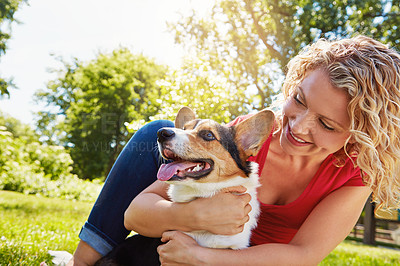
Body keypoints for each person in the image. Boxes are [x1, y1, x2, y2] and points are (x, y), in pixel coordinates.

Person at [67, 35, 400, 265]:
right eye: (298, 99)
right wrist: (195, 215)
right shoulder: (247, 139)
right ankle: (81, 262)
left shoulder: (354, 176)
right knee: (157, 132)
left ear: (358, 134)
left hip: (248, 260)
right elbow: (137, 214)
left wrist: (204, 259)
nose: (297, 127)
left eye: (327, 125)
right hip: (196, 236)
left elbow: (303, 256)